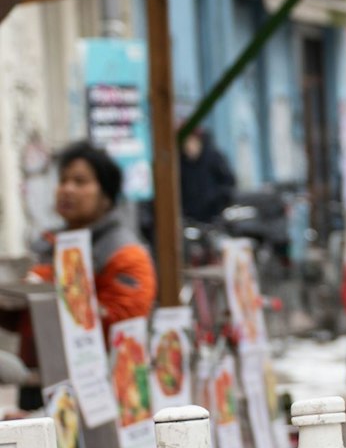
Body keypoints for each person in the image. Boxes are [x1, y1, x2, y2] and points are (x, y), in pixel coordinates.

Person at [40, 142, 157, 320]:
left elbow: (122, 319)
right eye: (63, 181)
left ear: (106, 197)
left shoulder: (126, 255)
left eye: (80, 182)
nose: (67, 189)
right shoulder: (49, 244)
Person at [179, 125, 237, 226]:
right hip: (189, 219)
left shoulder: (214, 158)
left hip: (214, 217)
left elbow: (228, 183)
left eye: (191, 141)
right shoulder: (180, 163)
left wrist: (216, 202)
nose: (188, 146)